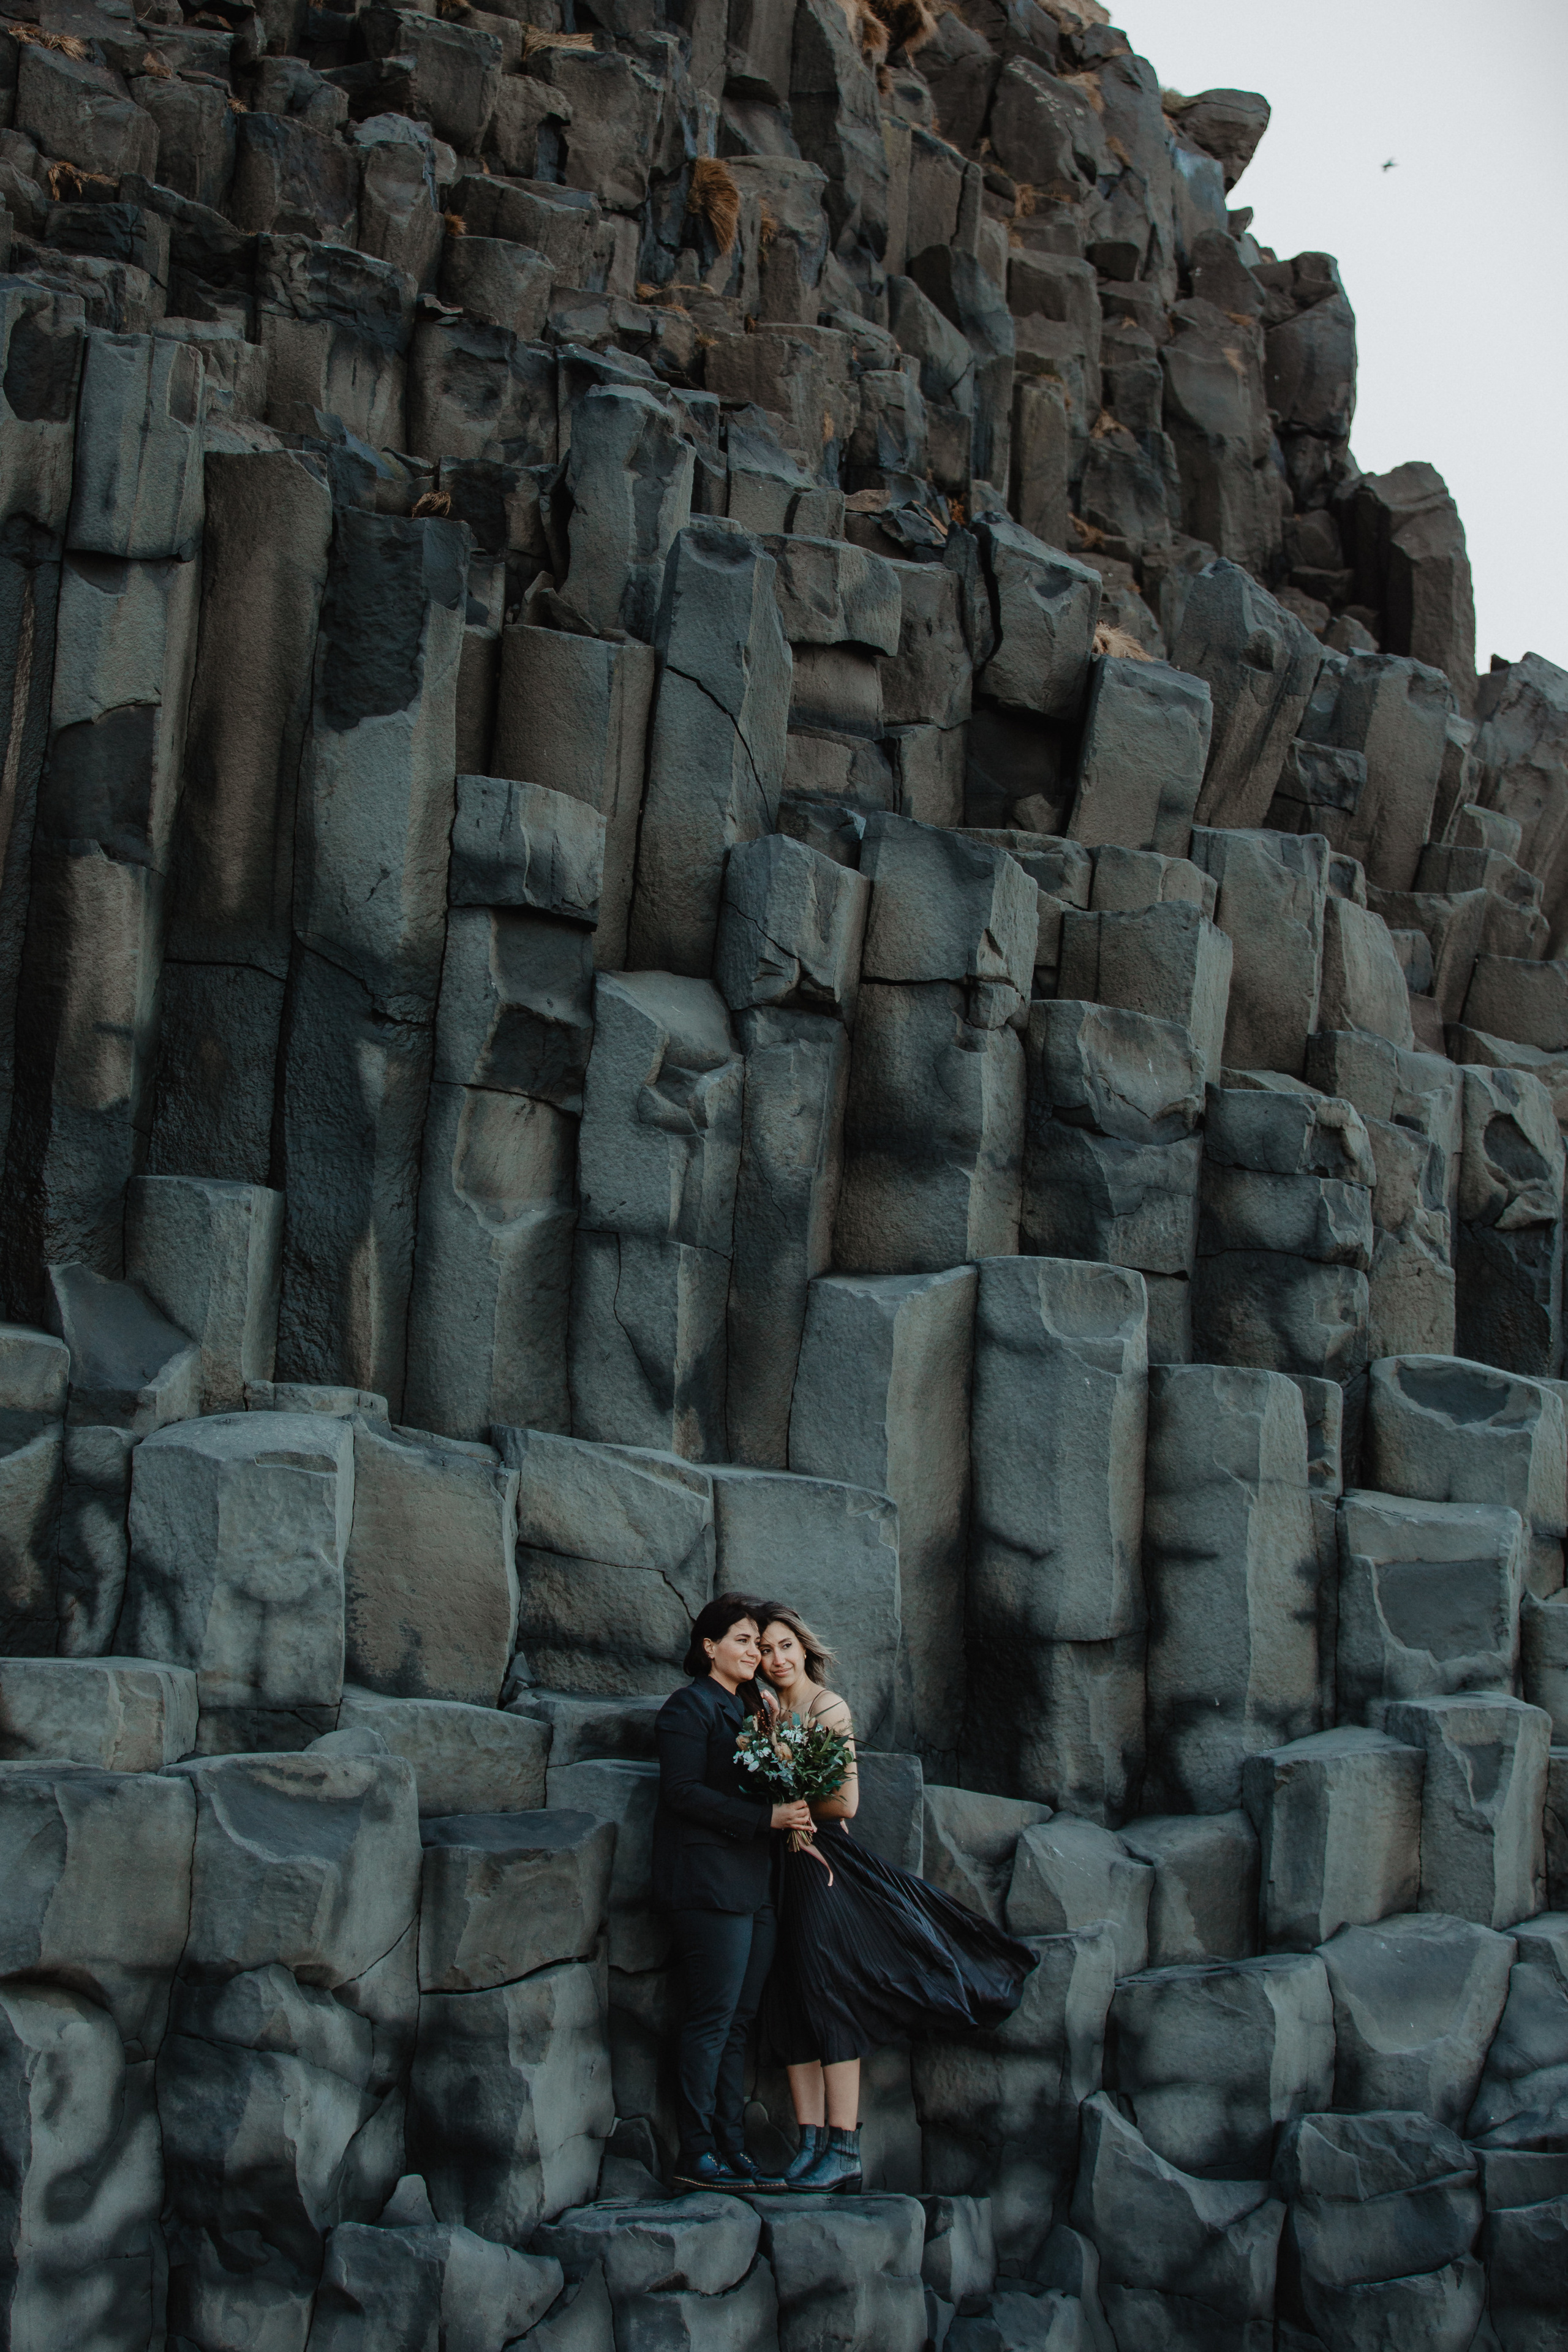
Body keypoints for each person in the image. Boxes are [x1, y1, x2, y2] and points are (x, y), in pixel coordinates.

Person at [755, 1605, 1038, 2196]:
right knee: (786, 1998)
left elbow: (846, 1802)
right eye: (765, 1649)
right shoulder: (766, 1713)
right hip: (779, 1864)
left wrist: (785, 1795)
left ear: (804, 1648)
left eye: (785, 1646)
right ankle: (809, 2146)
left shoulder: (828, 1707)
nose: (776, 1659)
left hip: (822, 1862)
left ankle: (843, 2148)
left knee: (828, 1992)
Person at [652, 1592, 815, 2193]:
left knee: (740, 2021)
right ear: (709, 1646)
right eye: (743, 1641)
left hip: (756, 1885)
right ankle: (695, 2153)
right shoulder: (688, 1707)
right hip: (708, 1884)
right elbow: (681, 1791)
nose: (754, 1652)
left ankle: (731, 2146)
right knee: (711, 2019)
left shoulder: (755, 1709)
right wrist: (764, 1818)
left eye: (759, 1643)